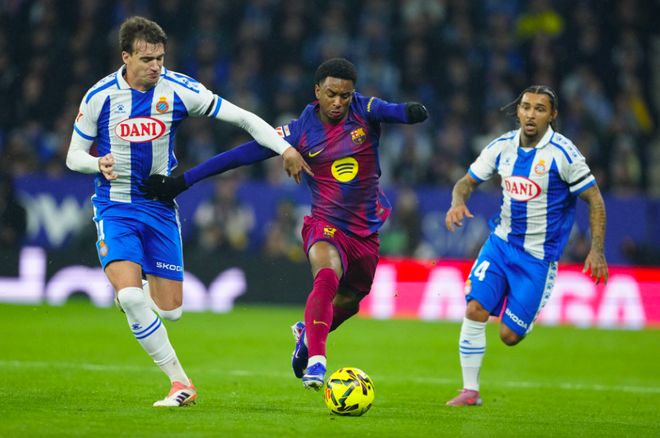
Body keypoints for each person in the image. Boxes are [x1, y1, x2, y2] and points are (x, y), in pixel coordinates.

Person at [65, 16, 310, 407]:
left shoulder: (178, 89)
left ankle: (132, 295)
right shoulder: (99, 96)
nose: (156, 66)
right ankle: (180, 383)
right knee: (131, 298)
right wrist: (97, 163)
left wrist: (285, 149)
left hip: (159, 208)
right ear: (125, 56)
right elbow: (73, 156)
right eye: (147, 59)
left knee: (172, 311)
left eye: (160, 58)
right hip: (115, 206)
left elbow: (243, 118)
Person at [141, 58, 429, 389]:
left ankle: (307, 334)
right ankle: (317, 362)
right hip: (326, 225)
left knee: (350, 301)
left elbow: (395, 111)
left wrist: (412, 112)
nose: (339, 102)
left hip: (366, 231)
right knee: (326, 276)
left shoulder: (365, 110)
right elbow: (240, 155)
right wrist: (182, 181)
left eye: (345, 95)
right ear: (317, 91)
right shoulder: (298, 131)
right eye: (332, 94)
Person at [444, 85, 608, 406]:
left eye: (539, 109)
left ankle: (524, 314)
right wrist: (457, 202)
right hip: (500, 245)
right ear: (518, 111)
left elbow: (595, 200)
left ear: (552, 115)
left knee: (509, 336)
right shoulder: (502, 146)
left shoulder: (564, 154)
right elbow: (466, 182)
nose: (531, 115)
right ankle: (470, 391)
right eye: (526, 107)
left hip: (537, 259)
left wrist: (597, 249)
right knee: (475, 307)